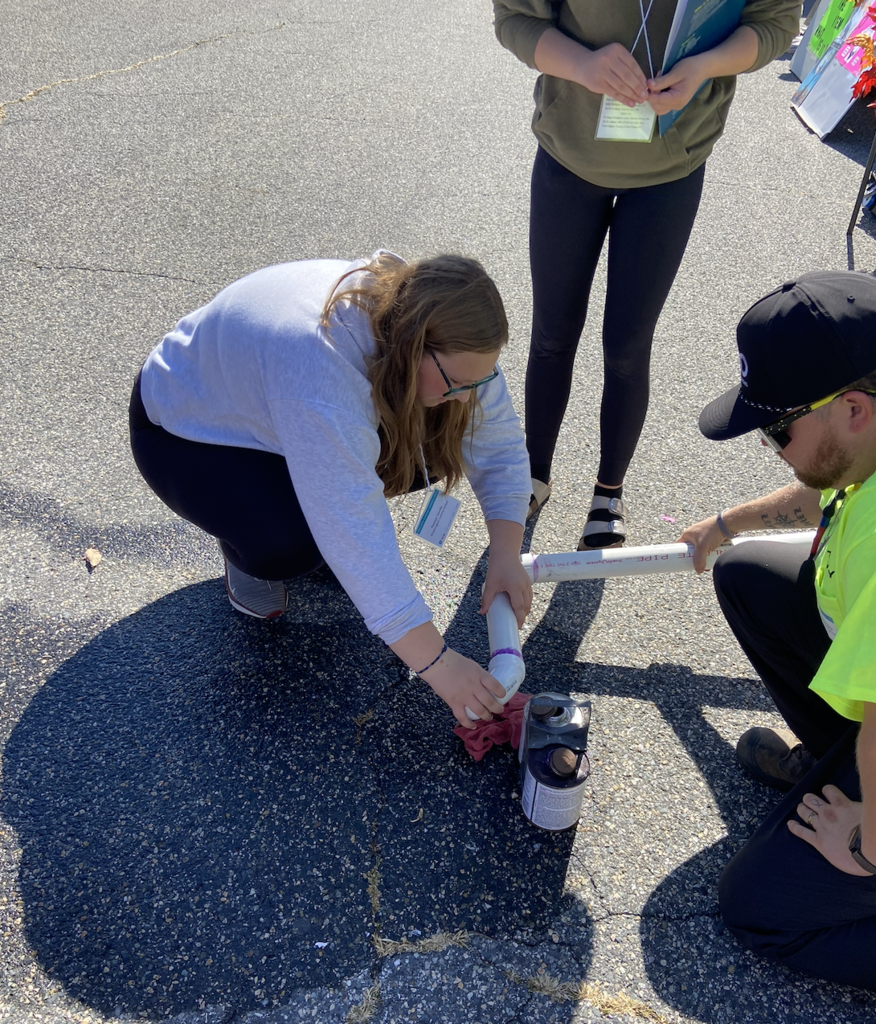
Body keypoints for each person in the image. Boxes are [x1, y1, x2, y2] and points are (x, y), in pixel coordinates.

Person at [129, 250, 533, 730]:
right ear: (415, 345)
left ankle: (306, 514)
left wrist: (506, 554)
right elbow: (352, 527)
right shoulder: (322, 370)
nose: (467, 393)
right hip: (184, 432)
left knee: (431, 444)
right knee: (293, 543)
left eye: (479, 380)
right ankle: (250, 560)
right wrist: (440, 666)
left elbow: (500, 448)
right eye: (459, 382)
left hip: (281, 410)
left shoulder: (453, 346)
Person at [492, 0, 799, 549]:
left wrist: (706, 64)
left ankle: (608, 491)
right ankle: (534, 475)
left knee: (629, 346)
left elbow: (776, 22)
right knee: (552, 334)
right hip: (570, 156)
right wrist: (583, 65)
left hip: (670, 168)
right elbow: (515, 19)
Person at [679, 270, 876, 994]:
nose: (773, 445)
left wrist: (872, 847)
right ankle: (838, 763)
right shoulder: (875, 431)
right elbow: (830, 474)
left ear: (854, 408)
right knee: (746, 575)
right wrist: (726, 524)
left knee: (757, 908)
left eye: (778, 428)